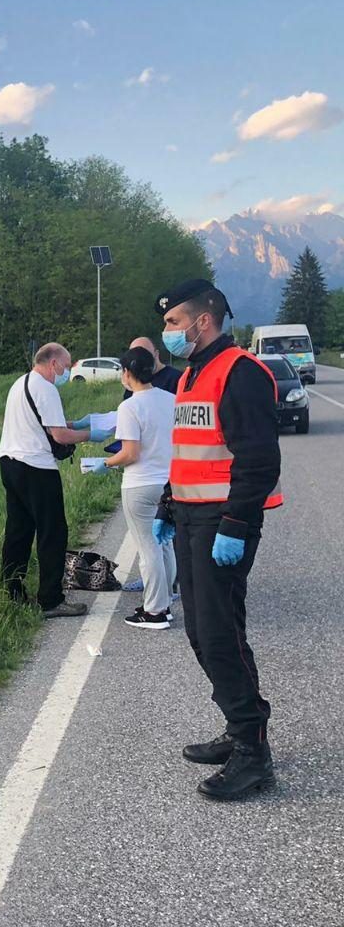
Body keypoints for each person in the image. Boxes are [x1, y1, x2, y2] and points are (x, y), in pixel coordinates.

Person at [152, 278, 282, 801]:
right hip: (189, 518)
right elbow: (186, 451)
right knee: (204, 634)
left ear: (202, 321)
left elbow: (259, 461)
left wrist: (234, 523)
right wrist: (167, 505)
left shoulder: (241, 373)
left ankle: (254, 754)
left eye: (173, 322)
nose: (168, 333)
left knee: (219, 633)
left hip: (222, 522)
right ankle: (240, 724)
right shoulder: (191, 377)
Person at [0, 343, 93, 619]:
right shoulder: (46, 387)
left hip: (10, 462)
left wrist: (71, 425)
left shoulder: (20, 383)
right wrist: (90, 434)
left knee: (18, 530)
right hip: (36, 467)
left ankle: (12, 592)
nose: (66, 372)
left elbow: (43, 424)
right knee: (53, 531)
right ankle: (51, 599)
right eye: (66, 365)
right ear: (53, 363)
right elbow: (59, 436)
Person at [102, 346, 177, 629]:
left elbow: (130, 453)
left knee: (148, 550)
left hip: (140, 484)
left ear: (127, 373)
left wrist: (106, 463)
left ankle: (155, 611)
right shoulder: (171, 399)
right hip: (169, 482)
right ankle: (166, 600)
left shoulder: (130, 406)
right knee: (165, 543)